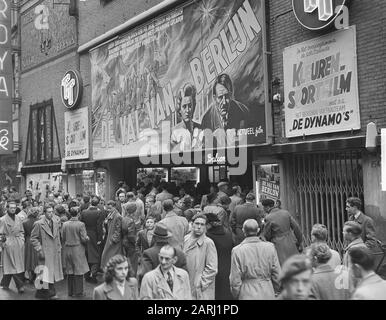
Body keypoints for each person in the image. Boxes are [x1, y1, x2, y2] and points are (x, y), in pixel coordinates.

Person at [230, 219, 281, 300]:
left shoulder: (237, 251)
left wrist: (236, 294)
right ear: (258, 230)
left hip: (247, 292)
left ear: (243, 231)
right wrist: (274, 289)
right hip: (267, 289)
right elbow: (277, 273)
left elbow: (235, 279)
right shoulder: (270, 247)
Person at [31, 205, 64, 299]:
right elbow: (33, 238)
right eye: (48, 212)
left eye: (52, 212)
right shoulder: (38, 224)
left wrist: (59, 248)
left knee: (50, 272)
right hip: (44, 251)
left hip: (54, 251)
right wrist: (39, 249)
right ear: (44, 213)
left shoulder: (55, 222)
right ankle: (46, 293)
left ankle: (46, 293)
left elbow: (57, 237)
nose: (51, 214)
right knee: (44, 272)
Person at [183, 213, 218, 300]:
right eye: (197, 223)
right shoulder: (185, 239)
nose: (199, 227)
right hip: (186, 284)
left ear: (205, 227)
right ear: (192, 224)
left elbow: (212, 268)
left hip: (200, 289)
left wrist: (201, 283)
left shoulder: (208, 243)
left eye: (202, 224)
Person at [262, 198, 303, 266]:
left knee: (282, 267)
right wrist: (300, 241)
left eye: (264, 207)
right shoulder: (285, 212)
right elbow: (296, 227)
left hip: (278, 245)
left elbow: (267, 235)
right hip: (290, 241)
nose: (263, 209)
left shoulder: (268, 218)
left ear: (267, 207)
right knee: (294, 265)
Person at [61, 206, 90, 297]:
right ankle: (78, 292)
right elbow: (83, 238)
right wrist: (87, 238)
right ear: (78, 214)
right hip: (78, 249)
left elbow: (63, 237)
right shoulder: (81, 224)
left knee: (70, 271)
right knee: (78, 271)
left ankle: (71, 291)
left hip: (68, 248)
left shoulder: (65, 224)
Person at [205, 212, 234, 300]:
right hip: (229, 268)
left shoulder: (208, 237)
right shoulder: (228, 232)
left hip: (214, 270)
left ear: (209, 224)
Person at [0, 201, 25, 294]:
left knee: (12, 265)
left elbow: (22, 231)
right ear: (7, 208)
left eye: (14, 208)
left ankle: (5, 283)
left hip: (18, 243)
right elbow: (0, 234)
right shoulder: (2, 220)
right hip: (9, 243)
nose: (13, 209)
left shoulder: (18, 218)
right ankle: (20, 286)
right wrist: (4, 244)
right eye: (11, 208)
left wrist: (22, 241)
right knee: (14, 265)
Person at [171, 83, 201, 152]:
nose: (187, 110)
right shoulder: (174, 132)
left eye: (190, 106)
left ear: (193, 107)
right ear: (179, 109)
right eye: (184, 106)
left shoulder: (200, 128)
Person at [80, 197, 104, 283]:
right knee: (95, 254)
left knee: (86, 254)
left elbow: (81, 223)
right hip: (94, 235)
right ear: (98, 204)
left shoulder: (84, 212)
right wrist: (100, 238)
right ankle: (93, 274)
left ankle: (86, 274)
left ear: (90, 203)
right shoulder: (99, 212)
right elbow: (99, 226)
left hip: (86, 233)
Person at [100, 200, 123, 270]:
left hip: (113, 240)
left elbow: (118, 229)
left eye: (110, 208)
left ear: (114, 207)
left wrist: (114, 239)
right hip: (110, 237)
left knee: (110, 256)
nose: (108, 210)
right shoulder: (111, 214)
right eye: (108, 208)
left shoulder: (117, 216)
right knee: (108, 256)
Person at [23, 206, 39, 284]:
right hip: (37, 241)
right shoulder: (39, 221)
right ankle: (36, 275)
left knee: (29, 259)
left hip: (28, 241)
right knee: (36, 259)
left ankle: (30, 276)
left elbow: (24, 234)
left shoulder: (25, 222)